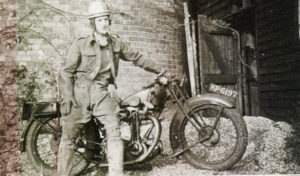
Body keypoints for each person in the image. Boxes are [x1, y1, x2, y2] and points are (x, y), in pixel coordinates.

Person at [57, 1, 161, 176]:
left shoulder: (115, 43)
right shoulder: (80, 44)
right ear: (93, 23)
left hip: (102, 93)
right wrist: (67, 97)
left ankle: (116, 173)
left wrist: (159, 69)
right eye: (99, 20)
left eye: (106, 19)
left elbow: (137, 57)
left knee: (114, 132)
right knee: (68, 139)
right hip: (79, 94)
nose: (104, 23)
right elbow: (66, 72)